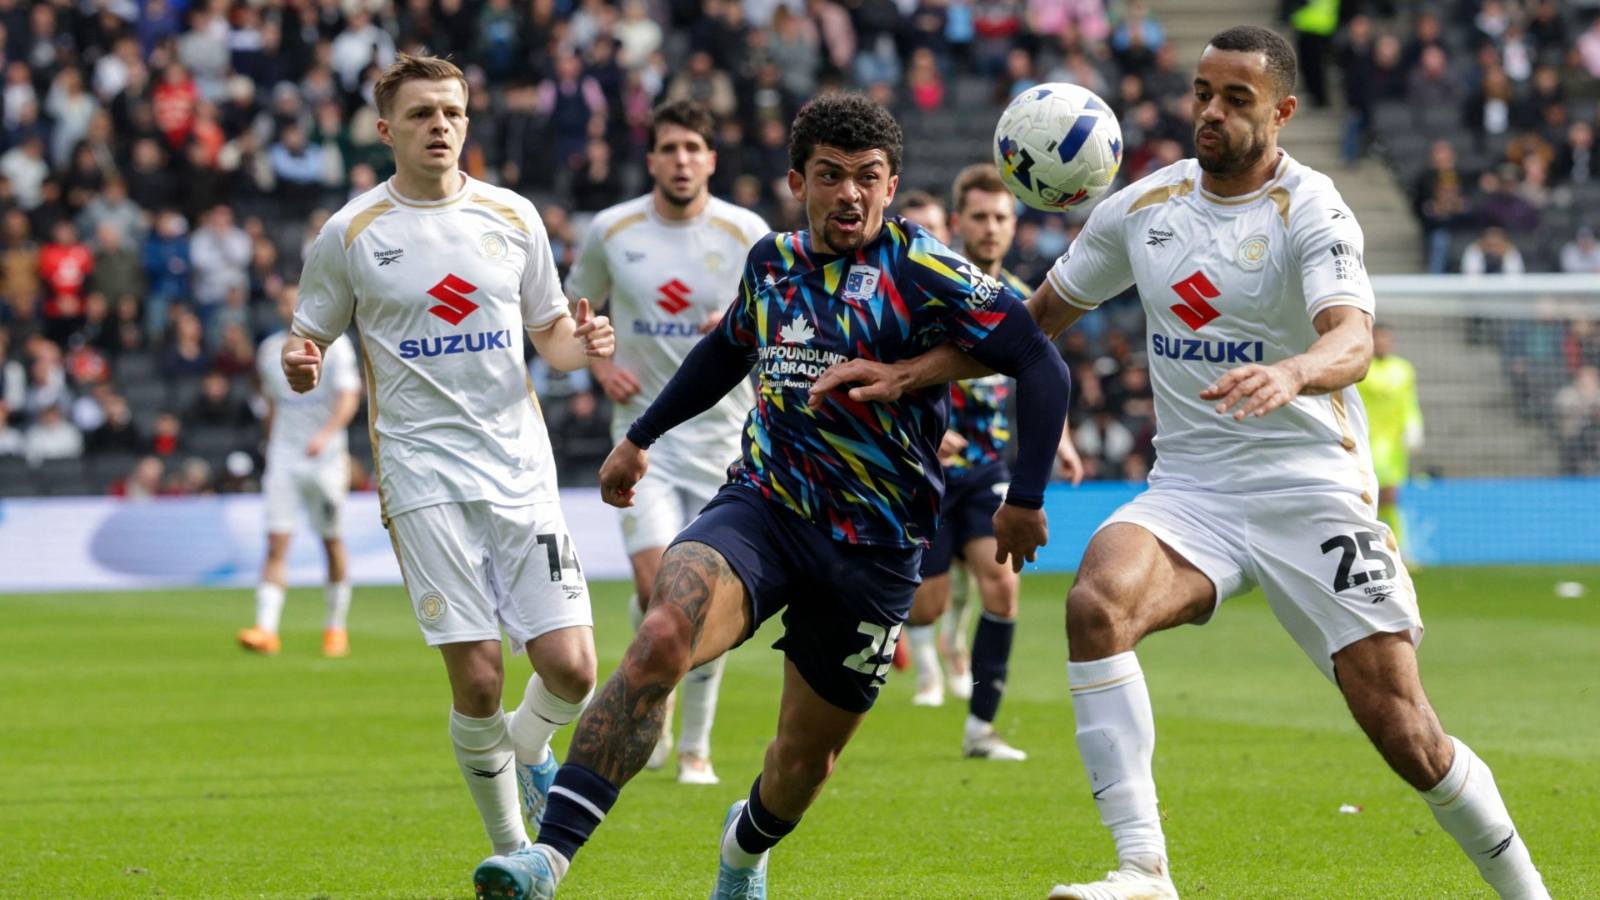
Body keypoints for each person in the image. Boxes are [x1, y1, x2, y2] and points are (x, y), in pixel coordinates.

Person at [811, 26, 1549, 900]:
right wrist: (913, 372)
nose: (1211, 111)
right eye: (1203, 92)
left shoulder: (1313, 209)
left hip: (1309, 488)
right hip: (1194, 491)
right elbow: (1028, 325)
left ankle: (1526, 891)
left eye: (1236, 99)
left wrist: (1294, 371)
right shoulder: (1141, 209)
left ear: (1281, 111)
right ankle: (1143, 869)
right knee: (1096, 604)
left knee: (1404, 729)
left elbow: (1350, 338)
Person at [484, 92, 1070, 900]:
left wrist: (1026, 496)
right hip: (764, 507)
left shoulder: (926, 268)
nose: (850, 195)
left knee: (801, 764)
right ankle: (545, 859)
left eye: (868, 177)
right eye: (830, 176)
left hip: (876, 546)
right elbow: (724, 351)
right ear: (799, 180)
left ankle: (743, 850)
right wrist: (638, 437)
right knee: (661, 633)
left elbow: (1041, 361)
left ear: (892, 186)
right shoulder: (771, 262)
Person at [279, 53, 616, 894]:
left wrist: (588, 346)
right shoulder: (351, 232)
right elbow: (309, 332)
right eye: (423, 112)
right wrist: (301, 356)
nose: (441, 126)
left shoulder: (512, 217)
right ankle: (517, 853)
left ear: (468, 122)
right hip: (423, 476)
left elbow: (553, 338)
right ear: (386, 128)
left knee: (573, 668)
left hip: (519, 470)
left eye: (453, 112)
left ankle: (530, 748)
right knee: (478, 677)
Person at [563, 99, 770, 786]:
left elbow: (789, 325)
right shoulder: (612, 230)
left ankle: (692, 748)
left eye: (694, 148)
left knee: (700, 599)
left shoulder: (749, 233)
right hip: (644, 440)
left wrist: (742, 326)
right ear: (652, 159)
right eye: (670, 148)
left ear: (711, 159)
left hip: (728, 442)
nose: (682, 160)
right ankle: (657, 715)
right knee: (662, 587)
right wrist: (599, 361)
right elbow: (575, 318)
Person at [900, 166, 1086, 766]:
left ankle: (981, 728)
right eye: (978, 217)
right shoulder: (932, 289)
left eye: (1001, 217)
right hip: (923, 471)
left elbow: (1041, 376)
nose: (990, 228)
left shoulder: (1026, 303)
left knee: (1003, 585)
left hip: (986, 472)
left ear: (1014, 225)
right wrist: (929, 426)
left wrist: (1060, 437)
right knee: (923, 606)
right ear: (957, 224)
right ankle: (933, 636)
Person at [237, 284, 363, 658]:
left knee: (331, 540)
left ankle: (336, 627)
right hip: (284, 456)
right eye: (282, 301)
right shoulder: (268, 350)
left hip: (324, 458)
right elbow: (274, 404)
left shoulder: (337, 347)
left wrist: (325, 436)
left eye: (294, 300)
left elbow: (348, 397)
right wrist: (269, 443)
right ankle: (265, 629)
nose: (288, 307)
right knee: (276, 541)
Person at [1355, 324, 1423, 561]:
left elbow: (1409, 402)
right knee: (1365, 497)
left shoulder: (1403, 369)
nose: (1382, 343)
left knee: (1390, 496)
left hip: (1393, 444)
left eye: (1386, 339)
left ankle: (1399, 549)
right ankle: (1366, 549)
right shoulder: (1360, 368)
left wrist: (1414, 425)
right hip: (1364, 441)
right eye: (1378, 339)